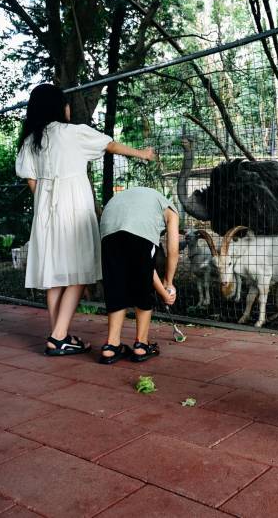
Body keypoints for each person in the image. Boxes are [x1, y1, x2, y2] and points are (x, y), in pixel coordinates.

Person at [15, 83, 156, 356]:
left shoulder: (32, 140)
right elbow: (110, 145)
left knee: (54, 276)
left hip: (45, 212)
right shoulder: (73, 133)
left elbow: (31, 179)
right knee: (79, 272)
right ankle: (57, 338)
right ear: (59, 106)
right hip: (74, 208)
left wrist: (46, 200)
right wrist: (142, 154)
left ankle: (59, 335)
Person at [97, 186, 180, 364]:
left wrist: (163, 288)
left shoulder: (144, 199)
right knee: (143, 287)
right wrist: (168, 284)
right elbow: (173, 251)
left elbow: (143, 266)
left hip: (108, 224)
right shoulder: (172, 210)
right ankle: (141, 345)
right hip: (136, 226)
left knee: (116, 284)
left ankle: (111, 347)